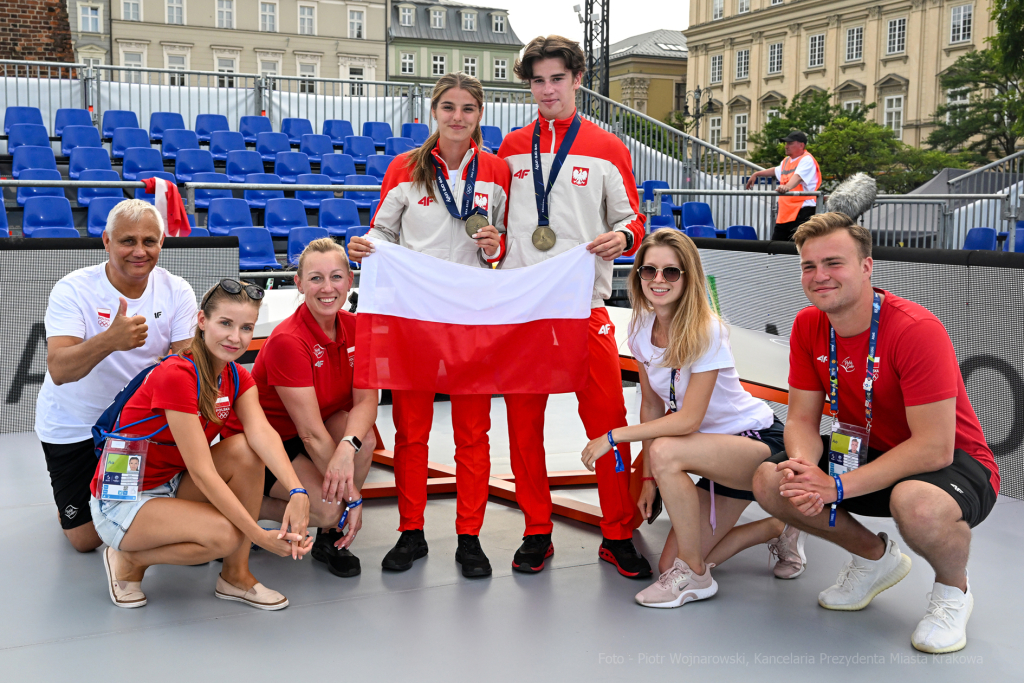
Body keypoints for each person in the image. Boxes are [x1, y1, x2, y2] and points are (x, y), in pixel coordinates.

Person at [751, 213, 999, 654]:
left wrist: (836, 486)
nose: (820, 276)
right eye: (809, 266)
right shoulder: (808, 324)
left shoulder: (914, 329)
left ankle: (952, 592)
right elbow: (802, 420)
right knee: (774, 480)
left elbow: (934, 447)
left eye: (834, 263)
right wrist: (807, 470)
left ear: (867, 266)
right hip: (868, 452)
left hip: (953, 462)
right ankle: (875, 560)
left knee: (916, 504)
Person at [580, 230, 806, 607]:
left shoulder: (706, 330)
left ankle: (696, 577)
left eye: (671, 272)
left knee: (668, 450)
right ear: (636, 275)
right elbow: (652, 406)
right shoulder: (639, 329)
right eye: (649, 270)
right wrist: (650, 479)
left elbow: (687, 420)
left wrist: (613, 436)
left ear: (689, 277)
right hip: (706, 454)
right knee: (670, 562)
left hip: (755, 445)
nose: (658, 280)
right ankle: (780, 526)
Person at [494, 35, 649, 576]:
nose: (547, 89)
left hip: (584, 307)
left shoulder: (608, 147)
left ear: (577, 80)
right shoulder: (510, 148)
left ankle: (617, 531)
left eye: (557, 78)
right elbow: (495, 220)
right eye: (537, 80)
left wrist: (625, 239)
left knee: (607, 422)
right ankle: (537, 527)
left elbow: (633, 220)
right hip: (524, 312)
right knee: (522, 425)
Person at [347, 72, 510, 578]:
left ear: (480, 114)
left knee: (472, 434)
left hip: (471, 322)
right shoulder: (404, 167)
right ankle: (411, 531)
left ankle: (470, 537)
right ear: (433, 112)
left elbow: (506, 242)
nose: (457, 117)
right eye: (448, 108)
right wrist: (363, 246)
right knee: (411, 432)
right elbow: (383, 231)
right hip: (413, 321)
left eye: (467, 108)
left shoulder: (498, 172)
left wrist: (494, 247)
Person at [90, 279, 313, 610]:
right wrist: (257, 534)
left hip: (172, 482)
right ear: (202, 321)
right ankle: (129, 561)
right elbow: (203, 472)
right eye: (225, 323)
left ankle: (236, 576)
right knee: (228, 535)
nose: (235, 337)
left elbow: (262, 433)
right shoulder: (178, 374)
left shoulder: (235, 376)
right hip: (124, 497)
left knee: (246, 450)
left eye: (246, 327)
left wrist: (298, 491)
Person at [36, 199, 198, 552]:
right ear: (106, 242)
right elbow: (60, 369)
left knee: (125, 520)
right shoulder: (73, 289)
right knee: (86, 539)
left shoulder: (178, 290)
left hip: (132, 429)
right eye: (128, 241)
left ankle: (130, 499)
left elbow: (187, 365)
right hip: (73, 426)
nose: (139, 251)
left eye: (149, 241)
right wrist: (110, 340)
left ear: (161, 243)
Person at [222, 238, 377, 579]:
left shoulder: (357, 328)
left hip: (315, 431)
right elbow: (308, 434)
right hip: (267, 444)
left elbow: (367, 401)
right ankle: (231, 509)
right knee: (330, 508)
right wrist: (351, 497)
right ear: (299, 283)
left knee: (362, 441)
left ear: (350, 281)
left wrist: (346, 449)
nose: (327, 287)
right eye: (316, 278)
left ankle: (331, 540)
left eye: (336, 277)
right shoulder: (288, 340)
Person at [744, 130, 821, 241]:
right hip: (786, 211)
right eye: (786, 143)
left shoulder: (807, 159)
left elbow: (798, 176)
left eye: (790, 143)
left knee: (796, 248)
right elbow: (776, 171)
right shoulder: (786, 161)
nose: (786, 146)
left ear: (801, 145)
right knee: (776, 248)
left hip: (802, 210)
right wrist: (757, 173)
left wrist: (787, 187)